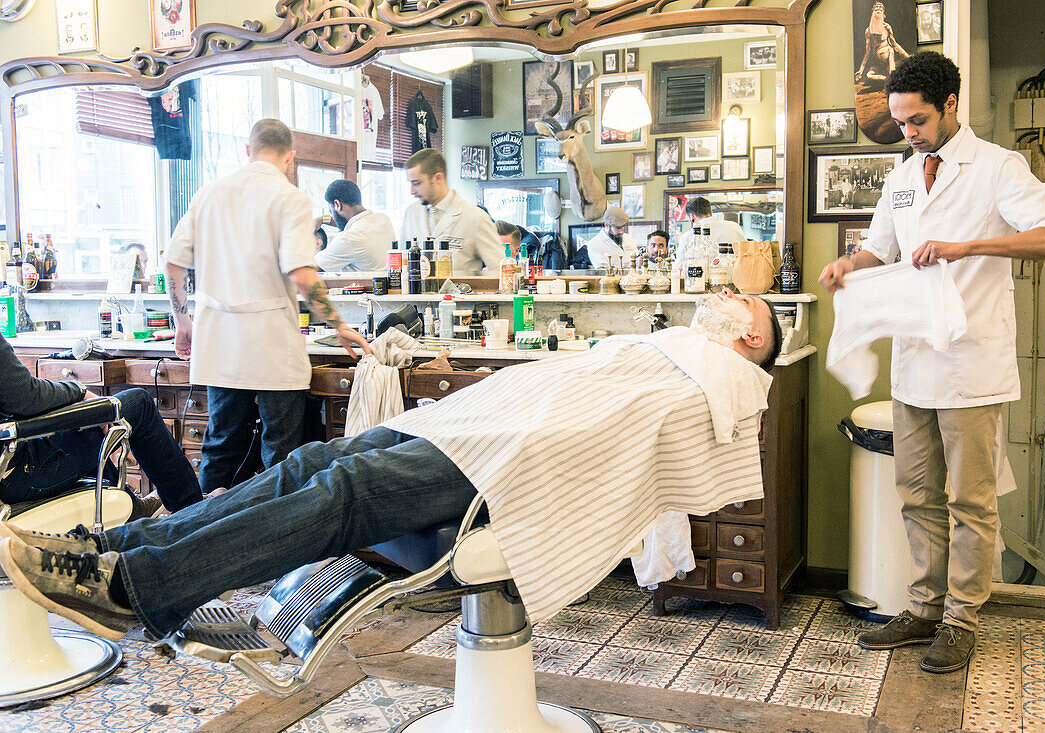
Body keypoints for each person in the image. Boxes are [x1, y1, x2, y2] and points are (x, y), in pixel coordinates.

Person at [0, 290, 783, 642]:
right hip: (475, 432)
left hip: (510, 470)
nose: (725, 294)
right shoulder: (656, 348)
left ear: (753, 338)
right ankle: (118, 551)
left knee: (346, 488)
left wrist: (518, 438)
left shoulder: (717, 376)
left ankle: (142, 589)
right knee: (312, 456)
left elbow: (614, 441)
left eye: (745, 300)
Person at [819, 52, 1045, 674]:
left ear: (950, 107)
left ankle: (962, 618)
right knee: (917, 495)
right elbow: (879, 250)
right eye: (901, 121)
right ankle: (924, 608)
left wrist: (969, 246)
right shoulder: (903, 177)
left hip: (973, 362)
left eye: (918, 120)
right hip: (915, 362)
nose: (908, 132)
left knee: (972, 501)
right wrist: (846, 267)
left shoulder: (997, 168)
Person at [164, 119, 371, 496]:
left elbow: (174, 262)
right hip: (270, 346)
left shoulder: (208, 193)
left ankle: (205, 538)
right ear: (290, 157)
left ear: (248, 150)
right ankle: (277, 544)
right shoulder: (289, 198)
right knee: (280, 454)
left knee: (220, 447)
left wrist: (183, 322)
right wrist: (339, 324)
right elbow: (302, 274)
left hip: (220, 344)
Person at [0, 334, 202, 515]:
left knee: (92, 421)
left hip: (12, 471)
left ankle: (132, 508)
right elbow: (25, 397)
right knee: (138, 403)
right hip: (20, 473)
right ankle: (191, 513)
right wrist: (79, 393)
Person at [401, 149, 503, 275]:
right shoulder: (411, 213)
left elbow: (501, 270)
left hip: (459, 293)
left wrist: (476, 285)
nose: (412, 191)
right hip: (416, 294)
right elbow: (403, 264)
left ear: (438, 178)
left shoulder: (475, 217)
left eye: (417, 183)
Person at [314, 179, 396, 272]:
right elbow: (352, 224)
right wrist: (323, 219)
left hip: (365, 286)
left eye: (331, 211)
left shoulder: (348, 238)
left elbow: (312, 266)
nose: (332, 215)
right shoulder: (383, 220)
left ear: (337, 204)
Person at [675, 198, 747, 268]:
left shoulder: (687, 237)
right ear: (711, 212)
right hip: (737, 278)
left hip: (703, 279)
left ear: (691, 216)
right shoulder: (734, 226)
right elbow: (746, 255)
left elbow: (681, 267)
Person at [855, 1, 910, 83]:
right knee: (869, 75)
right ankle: (887, 79)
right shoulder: (868, 31)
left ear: (884, 15)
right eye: (875, 9)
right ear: (872, 14)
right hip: (880, 65)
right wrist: (861, 70)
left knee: (890, 50)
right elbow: (868, 52)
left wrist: (908, 57)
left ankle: (892, 77)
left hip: (889, 60)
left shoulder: (887, 28)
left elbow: (895, 45)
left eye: (880, 10)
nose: (878, 10)